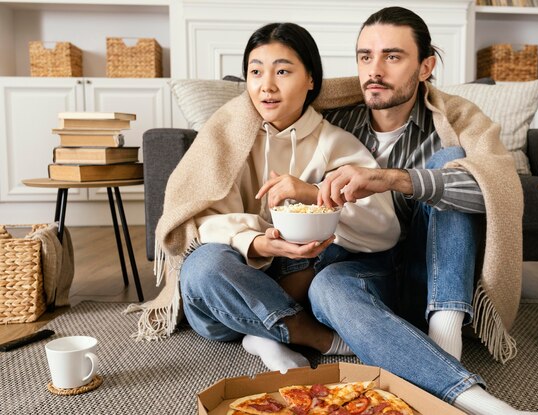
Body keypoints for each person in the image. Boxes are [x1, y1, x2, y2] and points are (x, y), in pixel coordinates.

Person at [303, 6, 538, 415]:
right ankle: (471, 395)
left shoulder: (455, 120)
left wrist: (395, 179)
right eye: (365, 56)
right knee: (325, 287)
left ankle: (445, 337)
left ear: (425, 65)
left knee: (453, 162)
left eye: (392, 57)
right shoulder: (332, 123)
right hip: (365, 272)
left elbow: (496, 193)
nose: (374, 70)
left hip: (431, 276)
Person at [150, 22, 400, 374]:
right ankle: (312, 337)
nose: (266, 85)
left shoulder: (338, 144)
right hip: (235, 286)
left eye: (282, 71)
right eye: (255, 72)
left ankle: (262, 332)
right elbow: (195, 222)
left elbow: (383, 230)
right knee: (202, 267)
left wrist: (314, 195)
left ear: (311, 80)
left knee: (336, 257)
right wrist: (256, 242)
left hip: (303, 279)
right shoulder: (227, 136)